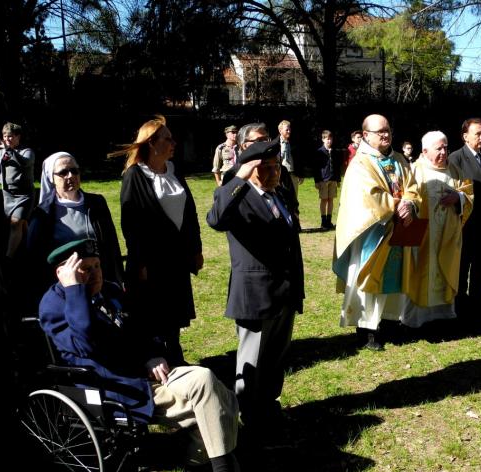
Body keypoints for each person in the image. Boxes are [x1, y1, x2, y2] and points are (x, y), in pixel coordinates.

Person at [39, 239, 251, 472]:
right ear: (63, 273)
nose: (94, 274)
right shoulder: (54, 306)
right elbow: (88, 341)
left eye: (97, 266)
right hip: (116, 387)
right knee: (211, 395)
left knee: (217, 393)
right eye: (85, 270)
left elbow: (142, 330)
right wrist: (74, 290)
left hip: (147, 374)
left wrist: (152, 354)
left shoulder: (111, 291)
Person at [206, 139, 304, 431]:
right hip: (256, 293)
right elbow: (215, 219)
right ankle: (248, 415)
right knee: (253, 360)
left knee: (276, 356)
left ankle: (269, 406)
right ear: (251, 170)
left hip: (284, 291)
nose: (275, 173)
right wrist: (238, 178)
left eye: (277, 167)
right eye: (267, 168)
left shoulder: (280, 194)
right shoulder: (239, 195)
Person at [108, 115, 203, 366]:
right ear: (151, 142)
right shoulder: (135, 175)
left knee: (174, 310)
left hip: (177, 256)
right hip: (152, 259)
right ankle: (159, 360)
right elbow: (131, 224)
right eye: (167, 139)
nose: (174, 143)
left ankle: (175, 355)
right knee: (154, 313)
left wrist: (196, 249)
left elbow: (190, 213)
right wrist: (140, 262)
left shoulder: (174, 171)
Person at [332, 114, 420, 350]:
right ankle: (367, 329)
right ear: (366, 135)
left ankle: (390, 322)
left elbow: (412, 187)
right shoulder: (360, 163)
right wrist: (397, 205)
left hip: (399, 229)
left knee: (396, 276)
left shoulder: (399, 159)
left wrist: (410, 204)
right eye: (380, 131)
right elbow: (367, 196)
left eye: (387, 130)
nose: (385, 134)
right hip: (372, 232)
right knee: (369, 277)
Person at [27, 152, 123, 308]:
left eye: (74, 170)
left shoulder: (97, 203)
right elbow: (34, 257)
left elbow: (112, 244)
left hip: (99, 281)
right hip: (67, 287)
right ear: (51, 178)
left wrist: (118, 279)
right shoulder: (43, 213)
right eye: (63, 172)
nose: (70, 176)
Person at [402, 131, 472, 327]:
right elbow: (407, 196)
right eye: (438, 148)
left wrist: (458, 198)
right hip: (422, 234)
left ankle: (443, 316)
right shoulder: (414, 170)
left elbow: (468, 194)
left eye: (445, 148)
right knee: (419, 274)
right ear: (425, 151)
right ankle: (416, 319)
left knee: (444, 270)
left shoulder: (455, 170)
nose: (444, 152)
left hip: (448, 235)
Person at [448, 118, 481, 313]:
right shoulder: (456, 159)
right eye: (477, 133)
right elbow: (452, 190)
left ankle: (478, 298)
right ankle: (459, 301)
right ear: (465, 136)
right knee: (463, 264)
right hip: (466, 224)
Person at [0, 122, 35, 259]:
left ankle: (8, 258)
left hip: (24, 195)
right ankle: (30, 249)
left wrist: (9, 150)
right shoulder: (1, 152)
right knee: (21, 224)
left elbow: (24, 162)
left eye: (10, 136)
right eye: (5, 136)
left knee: (16, 223)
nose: (7, 139)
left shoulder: (27, 151)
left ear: (18, 137)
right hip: (8, 195)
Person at [313, 130, 341, 230]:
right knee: (324, 200)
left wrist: (338, 180)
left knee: (331, 200)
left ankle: (329, 220)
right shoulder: (319, 152)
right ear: (323, 139)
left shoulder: (334, 152)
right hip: (323, 180)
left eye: (330, 139)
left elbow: (337, 166)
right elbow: (316, 168)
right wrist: (317, 181)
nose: (329, 141)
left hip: (333, 179)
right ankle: (323, 221)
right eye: (327, 139)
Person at [278, 119, 303, 197]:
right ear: (280, 131)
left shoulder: (293, 143)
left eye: (290, 129)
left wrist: (300, 174)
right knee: (283, 197)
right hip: (281, 175)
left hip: (293, 175)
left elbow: (299, 159)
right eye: (287, 130)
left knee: (294, 197)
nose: (289, 131)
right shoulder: (276, 144)